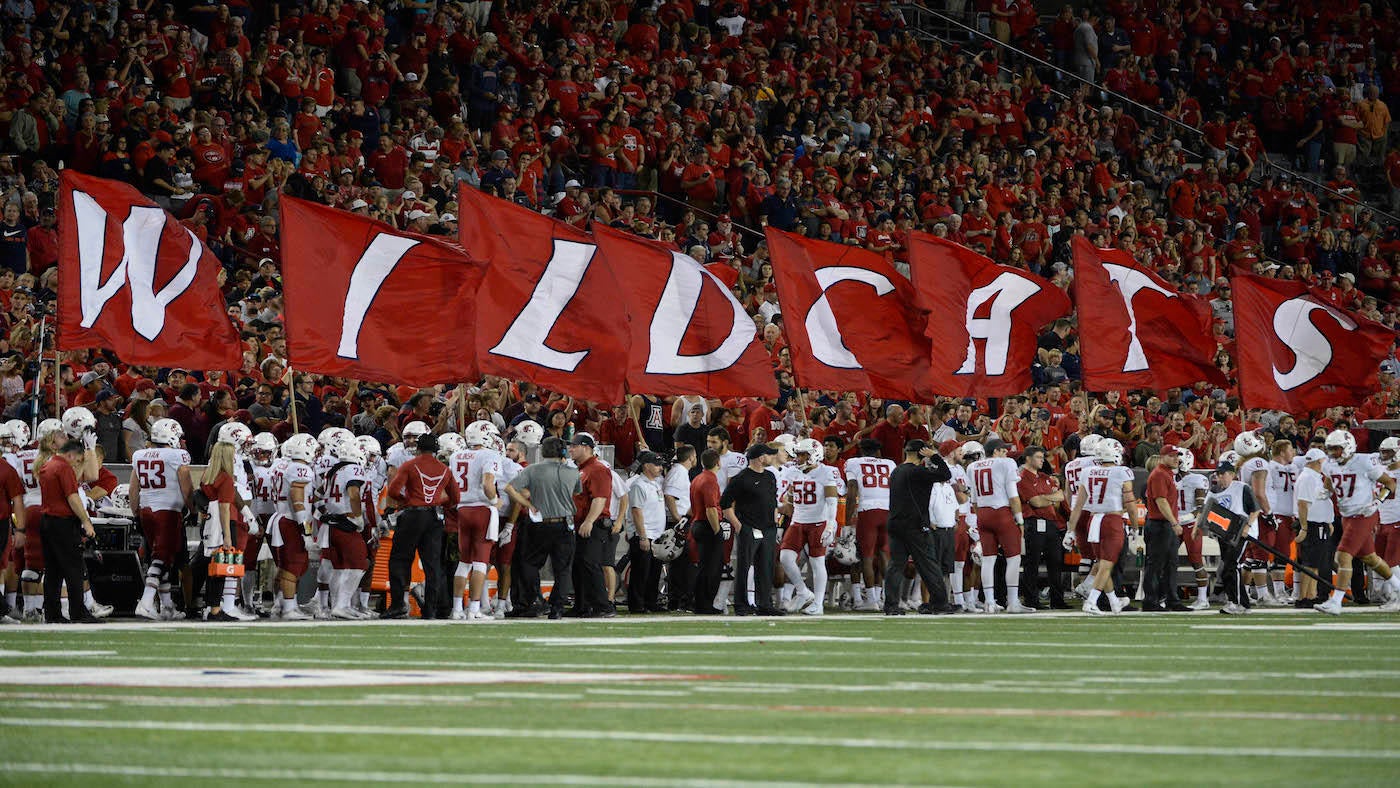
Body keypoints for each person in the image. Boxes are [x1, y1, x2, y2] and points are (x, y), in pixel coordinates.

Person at [1317, 430, 1400, 615]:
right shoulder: (1330, 464)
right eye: (1330, 449)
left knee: (1343, 556)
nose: (1333, 453)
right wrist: (1326, 491)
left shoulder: (1363, 462)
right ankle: (1399, 588)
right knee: (1370, 558)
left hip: (1363, 514)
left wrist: (1377, 502)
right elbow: (1330, 479)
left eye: (1337, 449)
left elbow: (1390, 484)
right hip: (1347, 516)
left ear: (1347, 448)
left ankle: (1336, 602)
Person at [384, 432, 459, 619]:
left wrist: (405, 501)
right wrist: (442, 504)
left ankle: (398, 605)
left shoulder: (410, 465)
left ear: (418, 448)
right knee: (433, 564)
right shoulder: (444, 469)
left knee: (400, 560)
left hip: (412, 515)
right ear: (436, 450)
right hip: (434, 517)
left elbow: (393, 490)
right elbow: (456, 498)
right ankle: (431, 609)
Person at [504, 435, 579, 619]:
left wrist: (528, 504)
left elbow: (510, 488)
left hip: (538, 523)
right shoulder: (573, 472)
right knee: (562, 569)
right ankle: (557, 607)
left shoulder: (533, 470)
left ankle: (535, 598)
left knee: (529, 564)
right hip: (564, 523)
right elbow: (576, 491)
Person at [130, 418, 193, 621]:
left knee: (162, 558)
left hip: (146, 509)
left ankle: (167, 606)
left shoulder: (139, 455)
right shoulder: (178, 456)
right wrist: (193, 508)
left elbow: (133, 488)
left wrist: (135, 512)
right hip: (167, 511)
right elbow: (186, 487)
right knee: (162, 557)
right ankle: (146, 602)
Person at [1067, 438, 1139, 615]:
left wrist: (1070, 530)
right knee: (1107, 564)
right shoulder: (1122, 472)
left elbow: (1077, 505)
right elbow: (1130, 503)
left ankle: (1114, 601)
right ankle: (1091, 602)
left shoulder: (1087, 472)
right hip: (1111, 521)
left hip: (1093, 521)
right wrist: (1135, 527)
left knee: (1100, 564)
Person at [884, 439, 953, 615]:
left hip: (895, 523)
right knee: (929, 565)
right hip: (915, 525)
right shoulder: (918, 472)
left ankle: (891, 605)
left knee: (896, 565)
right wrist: (936, 457)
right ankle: (940, 603)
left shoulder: (896, 471)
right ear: (922, 452)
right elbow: (945, 475)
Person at [966, 438, 1033, 613]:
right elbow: (1013, 496)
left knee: (988, 559)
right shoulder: (1006, 463)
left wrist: (981, 517)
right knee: (1013, 557)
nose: (1005, 454)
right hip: (1001, 513)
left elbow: (973, 500)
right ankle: (1012, 602)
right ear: (996, 451)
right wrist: (1019, 519)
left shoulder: (973, 467)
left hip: (982, 513)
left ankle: (989, 601)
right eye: (1003, 450)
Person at [777, 438, 841, 616]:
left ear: (814, 455)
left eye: (803, 454)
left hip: (818, 522)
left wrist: (830, 524)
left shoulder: (826, 472)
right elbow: (788, 501)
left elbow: (832, 502)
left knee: (817, 562)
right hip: (798, 521)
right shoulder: (794, 473)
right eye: (798, 454)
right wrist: (779, 517)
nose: (799, 458)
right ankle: (803, 591)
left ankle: (818, 604)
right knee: (785, 557)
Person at [38, 439, 99, 623]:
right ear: (71, 455)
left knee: (53, 571)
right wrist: (86, 521)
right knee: (74, 569)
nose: (77, 464)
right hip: (63, 523)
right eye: (77, 460)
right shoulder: (63, 468)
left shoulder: (49, 465)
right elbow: (72, 497)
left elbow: (74, 481)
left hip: (48, 522)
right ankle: (78, 611)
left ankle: (53, 613)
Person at [447, 423, 502, 621]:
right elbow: (488, 484)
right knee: (480, 562)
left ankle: (456, 609)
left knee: (464, 562)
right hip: (481, 509)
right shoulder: (490, 456)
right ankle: (474, 609)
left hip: (462, 509)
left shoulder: (456, 456)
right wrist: (496, 501)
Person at [199, 440, 256, 621]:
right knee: (222, 568)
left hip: (209, 521)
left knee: (213, 567)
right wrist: (228, 536)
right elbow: (225, 508)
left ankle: (210, 606)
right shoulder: (225, 478)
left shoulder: (208, 474)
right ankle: (216, 609)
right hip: (223, 522)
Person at [722, 443, 781, 616]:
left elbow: (773, 501)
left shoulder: (770, 476)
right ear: (761, 457)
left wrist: (775, 523)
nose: (772, 458)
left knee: (766, 567)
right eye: (769, 455)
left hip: (769, 528)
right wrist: (739, 526)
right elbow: (725, 503)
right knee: (744, 566)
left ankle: (765, 604)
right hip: (749, 527)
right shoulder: (741, 478)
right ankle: (741, 605)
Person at [843, 438, 896, 612]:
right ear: (878, 452)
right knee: (884, 555)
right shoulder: (890, 464)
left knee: (866, 556)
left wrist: (847, 519)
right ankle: (888, 597)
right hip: (888, 510)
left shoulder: (853, 463)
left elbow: (852, 491)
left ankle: (872, 600)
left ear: (860, 450)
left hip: (868, 510)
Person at [566, 433, 613, 618]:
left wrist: (589, 521)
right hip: (580, 523)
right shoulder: (582, 469)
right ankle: (582, 605)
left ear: (586, 447)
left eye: (574, 446)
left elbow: (600, 498)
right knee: (579, 565)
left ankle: (602, 605)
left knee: (590, 563)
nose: (570, 449)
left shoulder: (597, 469)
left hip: (594, 524)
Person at [1017, 445, 1068, 610]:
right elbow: (1035, 503)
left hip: (1051, 522)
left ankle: (1057, 600)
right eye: (1038, 457)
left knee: (1056, 562)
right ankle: (1031, 599)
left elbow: (1061, 495)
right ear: (1028, 459)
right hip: (1033, 522)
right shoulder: (1022, 478)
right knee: (1032, 562)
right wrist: (1050, 499)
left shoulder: (1045, 477)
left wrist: (1046, 498)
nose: (1042, 460)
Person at [1141, 446, 1186, 612]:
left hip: (1165, 524)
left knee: (1171, 564)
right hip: (1160, 524)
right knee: (1156, 564)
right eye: (1172, 456)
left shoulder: (1166, 473)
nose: (1176, 459)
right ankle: (1151, 600)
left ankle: (1172, 599)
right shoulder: (1160, 474)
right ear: (1162, 457)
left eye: (1177, 456)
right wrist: (1174, 522)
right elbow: (1161, 501)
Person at [1293, 448, 1334, 609]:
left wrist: (1327, 521)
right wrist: (1304, 527)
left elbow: (1319, 501)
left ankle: (1311, 595)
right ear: (1319, 461)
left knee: (1315, 563)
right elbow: (1303, 503)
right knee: (1310, 563)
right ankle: (1303, 597)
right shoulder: (1308, 478)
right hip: (1312, 524)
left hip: (1319, 524)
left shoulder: (1313, 477)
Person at [625, 451, 666, 613]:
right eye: (656, 464)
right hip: (645, 534)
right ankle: (636, 604)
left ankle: (650, 602)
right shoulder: (638, 485)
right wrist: (642, 536)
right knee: (641, 572)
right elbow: (636, 511)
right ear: (646, 466)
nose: (660, 468)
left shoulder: (655, 484)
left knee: (654, 572)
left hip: (656, 535)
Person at [689, 449, 725, 614]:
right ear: (718, 462)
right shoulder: (710, 480)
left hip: (698, 523)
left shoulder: (698, 478)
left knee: (704, 566)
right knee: (712, 568)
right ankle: (704, 604)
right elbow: (710, 508)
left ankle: (700, 602)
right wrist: (717, 531)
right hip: (707, 525)